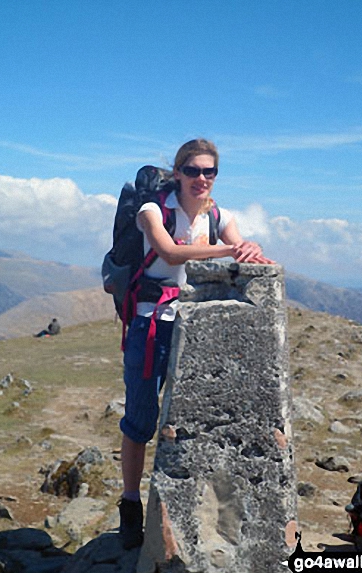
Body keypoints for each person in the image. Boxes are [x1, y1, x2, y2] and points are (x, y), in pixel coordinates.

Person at [118, 138, 274, 549]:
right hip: (150, 324)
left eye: (209, 172)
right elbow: (169, 253)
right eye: (192, 170)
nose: (201, 179)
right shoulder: (154, 210)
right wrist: (230, 248)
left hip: (193, 328)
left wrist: (249, 249)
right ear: (178, 172)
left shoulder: (219, 214)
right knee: (139, 420)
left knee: (188, 422)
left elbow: (241, 250)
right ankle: (130, 506)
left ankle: (179, 508)